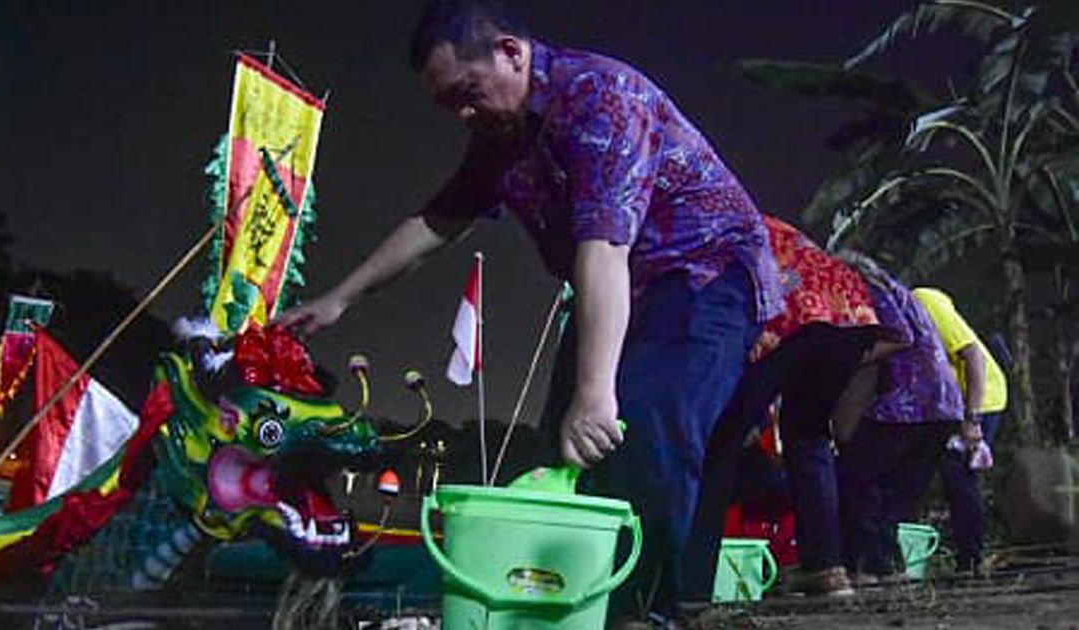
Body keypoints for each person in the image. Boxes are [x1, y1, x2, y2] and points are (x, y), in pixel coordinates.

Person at [279, 0, 783, 616]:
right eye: (448, 106)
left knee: (644, 421)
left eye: (467, 93)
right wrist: (340, 297)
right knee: (565, 447)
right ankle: (566, 604)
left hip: (703, 271)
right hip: (620, 282)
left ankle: (650, 612)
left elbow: (604, 248)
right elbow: (437, 222)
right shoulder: (497, 135)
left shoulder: (600, 97)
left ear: (511, 52)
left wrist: (597, 389)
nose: (463, 114)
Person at [681, 216, 904, 599]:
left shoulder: (704, 228)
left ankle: (691, 584)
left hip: (795, 315)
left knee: (723, 442)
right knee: (809, 437)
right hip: (848, 315)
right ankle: (826, 569)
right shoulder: (765, 223)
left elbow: (725, 314)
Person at [833, 253, 965, 580]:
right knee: (892, 492)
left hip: (907, 404)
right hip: (942, 405)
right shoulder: (901, 292)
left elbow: (899, 337)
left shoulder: (871, 288)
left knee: (854, 477)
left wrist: (850, 357)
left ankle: (862, 566)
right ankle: (886, 568)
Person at [901, 287, 1007, 573]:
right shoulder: (889, 316)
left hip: (978, 398)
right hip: (944, 405)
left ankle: (971, 560)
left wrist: (972, 419)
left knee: (958, 476)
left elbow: (974, 355)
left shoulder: (921, 301)